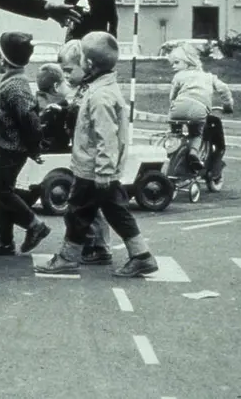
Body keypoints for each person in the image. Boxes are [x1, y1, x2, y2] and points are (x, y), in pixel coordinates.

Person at [38, 32, 158, 277]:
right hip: (95, 168)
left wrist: (103, 171)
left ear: (89, 64)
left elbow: (107, 137)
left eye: (80, 56)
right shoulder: (98, 88)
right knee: (103, 212)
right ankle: (139, 255)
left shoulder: (100, 96)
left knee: (79, 212)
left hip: (94, 169)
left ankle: (71, 258)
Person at [0, 31, 51, 257]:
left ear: (4, 60)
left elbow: (29, 118)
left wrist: (34, 147)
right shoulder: (14, 83)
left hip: (13, 148)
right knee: (0, 192)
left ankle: (34, 225)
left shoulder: (15, 87)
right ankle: (5, 241)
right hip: (9, 147)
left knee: (2, 192)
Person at [56, 39, 112, 265]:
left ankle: (95, 248)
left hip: (90, 161)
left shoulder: (92, 94)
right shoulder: (83, 91)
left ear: (86, 66)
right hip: (83, 159)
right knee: (86, 208)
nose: (66, 76)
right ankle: (94, 246)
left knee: (81, 208)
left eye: (69, 70)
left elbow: (101, 132)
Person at [167, 43, 234, 169]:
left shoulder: (178, 76)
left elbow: (172, 96)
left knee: (175, 133)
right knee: (196, 134)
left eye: (176, 63)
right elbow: (224, 88)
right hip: (198, 110)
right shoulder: (209, 77)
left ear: (188, 62)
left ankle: (171, 152)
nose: (173, 66)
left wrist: (173, 105)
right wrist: (227, 106)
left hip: (177, 109)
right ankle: (193, 152)